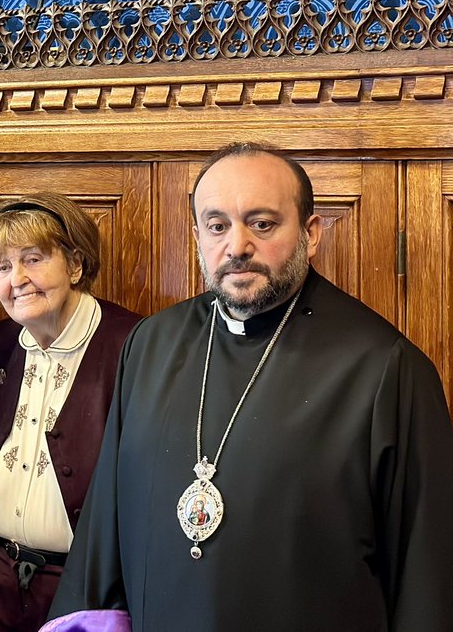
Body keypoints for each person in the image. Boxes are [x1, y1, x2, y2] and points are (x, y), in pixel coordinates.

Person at [47, 142, 453, 632]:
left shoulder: (385, 367)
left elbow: (426, 574)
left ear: (311, 232)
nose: (236, 246)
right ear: (197, 234)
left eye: (262, 224)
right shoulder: (150, 345)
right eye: (217, 226)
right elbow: (103, 534)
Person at [0, 194, 141, 632]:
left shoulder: (133, 344)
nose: (17, 279)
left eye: (33, 259)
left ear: (75, 264)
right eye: (2, 267)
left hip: (86, 592)